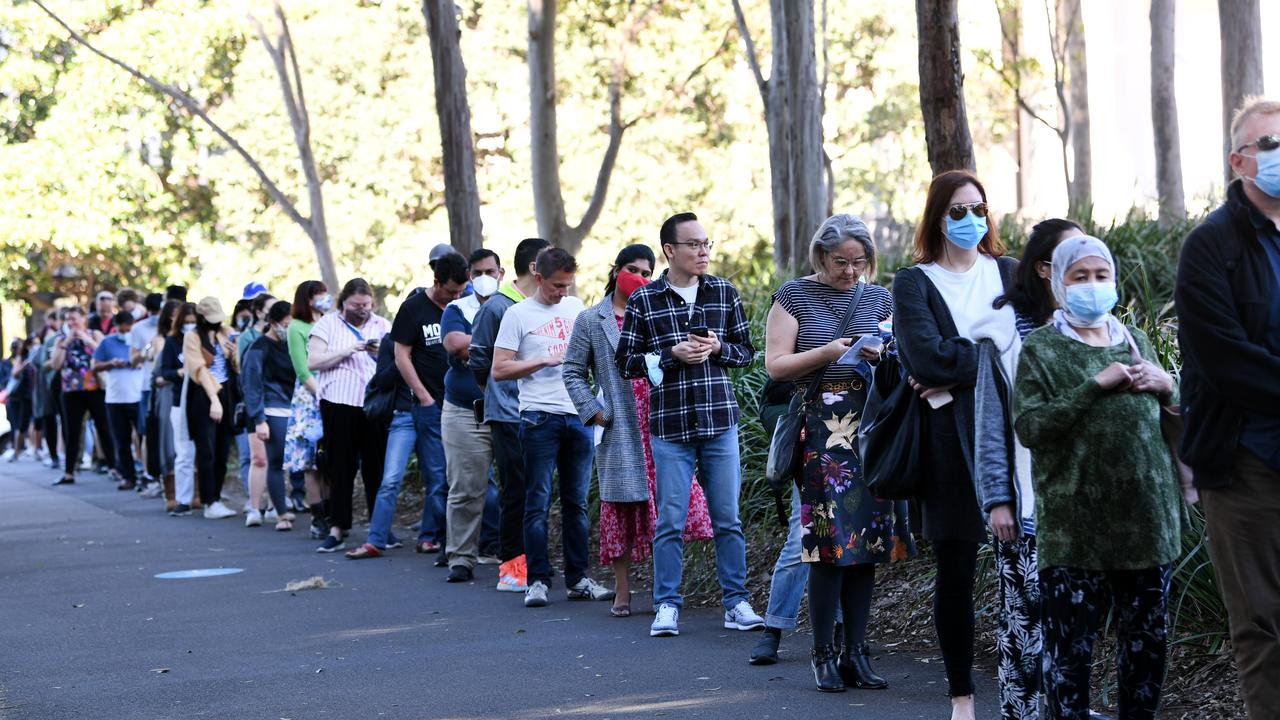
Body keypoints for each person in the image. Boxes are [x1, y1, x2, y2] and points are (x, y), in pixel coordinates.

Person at [1014, 234, 1180, 720]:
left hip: (1148, 523)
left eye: (1101, 275)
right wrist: (1093, 386)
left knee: (1146, 648)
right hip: (1074, 529)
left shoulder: (1135, 339)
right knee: (1070, 654)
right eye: (1079, 277)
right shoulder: (1041, 348)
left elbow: (1169, 414)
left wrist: (1168, 384)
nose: (1092, 285)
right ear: (1059, 285)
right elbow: (1030, 427)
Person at [764, 214, 915, 692]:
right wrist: (827, 353)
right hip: (821, 431)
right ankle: (822, 654)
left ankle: (856, 652)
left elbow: (902, 357)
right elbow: (776, 366)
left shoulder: (878, 297)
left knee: (868, 546)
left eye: (860, 262)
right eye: (840, 262)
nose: (851, 271)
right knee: (826, 548)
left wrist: (882, 356)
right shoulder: (793, 296)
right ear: (820, 256)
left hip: (871, 429)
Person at [891, 170, 1020, 720]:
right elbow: (925, 359)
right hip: (948, 443)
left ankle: (1030, 685)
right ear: (937, 218)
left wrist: (963, 364)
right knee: (957, 569)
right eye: (958, 211)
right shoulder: (914, 282)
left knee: (1027, 567)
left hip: (1020, 438)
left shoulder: (1011, 273)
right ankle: (962, 696)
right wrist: (992, 355)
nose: (971, 220)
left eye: (979, 209)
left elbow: (1031, 351)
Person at [1175, 97, 1280, 720]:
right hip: (1245, 462)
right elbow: (1226, 359)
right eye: (1268, 145)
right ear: (1240, 161)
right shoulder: (1210, 246)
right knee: (1263, 624)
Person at [616, 212, 764, 638]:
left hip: (720, 420)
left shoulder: (724, 292)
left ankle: (735, 603)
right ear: (670, 250)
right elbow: (625, 363)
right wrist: (670, 355)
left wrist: (718, 347)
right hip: (671, 426)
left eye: (706, 244)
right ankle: (667, 605)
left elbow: (747, 353)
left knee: (728, 518)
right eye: (693, 245)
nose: (702, 252)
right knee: (670, 520)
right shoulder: (646, 300)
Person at [563, 244, 714, 618]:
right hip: (620, 426)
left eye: (647, 273)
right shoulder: (591, 320)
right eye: (632, 269)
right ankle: (623, 589)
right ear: (616, 270)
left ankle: (668, 589)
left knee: (673, 502)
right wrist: (596, 412)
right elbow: (572, 371)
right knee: (621, 507)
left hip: (664, 419)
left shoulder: (658, 310)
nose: (640, 278)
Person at [493, 247, 613, 608]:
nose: (562, 292)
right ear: (539, 277)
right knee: (538, 502)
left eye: (568, 285)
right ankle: (538, 581)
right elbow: (500, 369)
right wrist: (541, 360)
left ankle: (578, 578)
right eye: (557, 286)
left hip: (577, 415)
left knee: (577, 503)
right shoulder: (517, 314)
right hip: (538, 416)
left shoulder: (577, 309)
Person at [347, 256, 467, 559]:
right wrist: (423, 396)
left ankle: (430, 537)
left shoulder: (462, 305)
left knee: (438, 478)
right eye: (450, 291)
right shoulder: (414, 308)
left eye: (460, 291)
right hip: (410, 410)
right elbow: (401, 356)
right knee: (391, 479)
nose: (455, 297)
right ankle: (376, 539)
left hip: (447, 405)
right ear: (436, 281)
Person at [468, 237, 550, 592]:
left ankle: (536, 565)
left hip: (542, 411)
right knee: (516, 490)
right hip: (507, 414)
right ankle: (511, 568)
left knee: (539, 491)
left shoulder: (546, 306)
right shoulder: (498, 307)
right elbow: (479, 360)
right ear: (535, 268)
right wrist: (497, 394)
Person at [421, 248, 505, 581]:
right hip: (464, 410)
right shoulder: (458, 307)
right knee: (465, 488)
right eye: (479, 271)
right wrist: (499, 344)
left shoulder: (513, 306)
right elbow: (455, 343)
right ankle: (461, 557)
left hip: (508, 408)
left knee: (518, 487)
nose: (486, 276)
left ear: (501, 273)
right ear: (470, 275)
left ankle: (513, 554)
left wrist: (480, 347)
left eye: (491, 270)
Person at [308, 278, 391, 553]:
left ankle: (380, 528)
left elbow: (398, 361)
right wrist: (348, 349)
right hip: (338, 402)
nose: (362, 310)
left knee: (375, 467)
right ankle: (337, 527)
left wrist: (381, 353)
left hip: (373, 405)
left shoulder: (382, 325)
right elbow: (313, 361)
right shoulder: (327, 324)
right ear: (343, 301)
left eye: (366, 305)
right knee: (339, 466)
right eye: (356, 305)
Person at [241, 301, 296, 531]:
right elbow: (251, 384)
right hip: (272, 409)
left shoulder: (293, 344)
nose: (289, 329)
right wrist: (259, 419)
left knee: (285, 463)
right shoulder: (258, 347)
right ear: (273, 323)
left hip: (293, 407)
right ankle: (279, 514)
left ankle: (280, 507)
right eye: (286, 324)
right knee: (273, 461)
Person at [184, 297, 240, 520]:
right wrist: (213, 399)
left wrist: (235, 352)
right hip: (204, 395)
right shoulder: (192, 337)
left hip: (227, 394)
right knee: (206, 451)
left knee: (222, 449)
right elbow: (198, 370)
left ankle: (216, 496)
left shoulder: (226, 332)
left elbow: (236, 367)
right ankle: (209, 500)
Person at [47, 306, 114, 486]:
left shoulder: (95, 334)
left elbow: (106, 352)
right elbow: (55, 364)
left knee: (104, 427)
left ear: (84, 318)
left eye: (74, 319)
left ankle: (114, 467)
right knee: (72, 432)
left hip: (95, 388)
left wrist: (87, 340)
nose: (71, 323)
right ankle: (69, 472)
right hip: (71, 391)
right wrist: (66, 343)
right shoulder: (62, 339)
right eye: (68, 319)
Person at [285, 280, 329, 536]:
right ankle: (318, 518)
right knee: (311, 462)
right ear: (307, 299)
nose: (325, 298)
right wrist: (321, 395)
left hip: (335, 392)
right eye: (319, 295)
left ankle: (333, 512)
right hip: (310, 398)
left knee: (330, 461)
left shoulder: (330, 322)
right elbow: (303, 369)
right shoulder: (296, 328)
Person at [93, 311, 144, 491]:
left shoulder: (139, 341)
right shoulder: (107, 342)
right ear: (116, 327)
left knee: (143, 437)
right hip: (115, 398)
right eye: (122, 328)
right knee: (121, 440)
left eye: (128, 327)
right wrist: (111, 363)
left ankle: (147, 475)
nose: (126, 331)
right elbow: (95, 365)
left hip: (137, 395)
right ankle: (128, 476)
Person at [159, 302, 198, 515]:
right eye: (187, 322)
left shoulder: (205, 340)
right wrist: (179, 372)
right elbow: (165, 371)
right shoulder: (172, 343)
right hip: (179, 402)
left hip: (203, 401)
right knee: (183, 452)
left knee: (206, 452)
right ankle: (183, 499)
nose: (190, 326)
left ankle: (209, 496)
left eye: (194, 322)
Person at [131, 293, 165, 495]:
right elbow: (133, 359)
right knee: (146, 432)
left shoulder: (170, 327)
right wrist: (147, 351)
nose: (155, 316)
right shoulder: (138, 328)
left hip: (166, 384)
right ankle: (149, 474)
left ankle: (165, 476)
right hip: (146, 385)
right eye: (152, 312)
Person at [3, 339, 35, 463]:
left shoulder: (30, 356)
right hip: (21, 396)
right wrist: (23, 366)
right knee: (20, 425)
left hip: (32, 394)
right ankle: (16, 451)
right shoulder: (18, 359)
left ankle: (33, 448)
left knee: (34, 422)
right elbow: (14, 374)